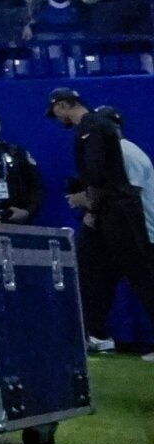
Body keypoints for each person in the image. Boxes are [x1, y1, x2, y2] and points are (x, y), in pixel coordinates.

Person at [47, 88, 154, 356]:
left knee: (143, 278)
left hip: (127, 219)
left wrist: (87, 202)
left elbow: (106, 181)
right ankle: (95, 333)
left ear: (62, 106)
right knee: (101, 276)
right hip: (115, 218)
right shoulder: (107, 137)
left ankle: (96, 332)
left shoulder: (107, 139)